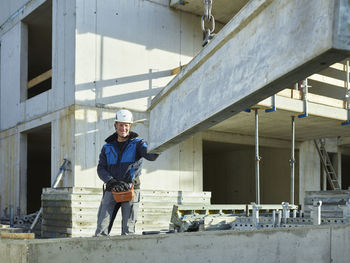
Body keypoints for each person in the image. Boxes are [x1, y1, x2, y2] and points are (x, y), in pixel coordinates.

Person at [94, 109, 159, 236]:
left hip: (131, 189)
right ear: (115, 126)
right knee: (101, 228)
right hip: (112, 189)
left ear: (130, 126)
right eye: (120, 125)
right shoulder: (107, 147)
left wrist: (158, 144)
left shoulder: (138, 144)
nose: (123, 128)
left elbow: (151, 156)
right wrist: (110, 181)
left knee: (128, 231)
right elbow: (100, 168)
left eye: (126, 125)